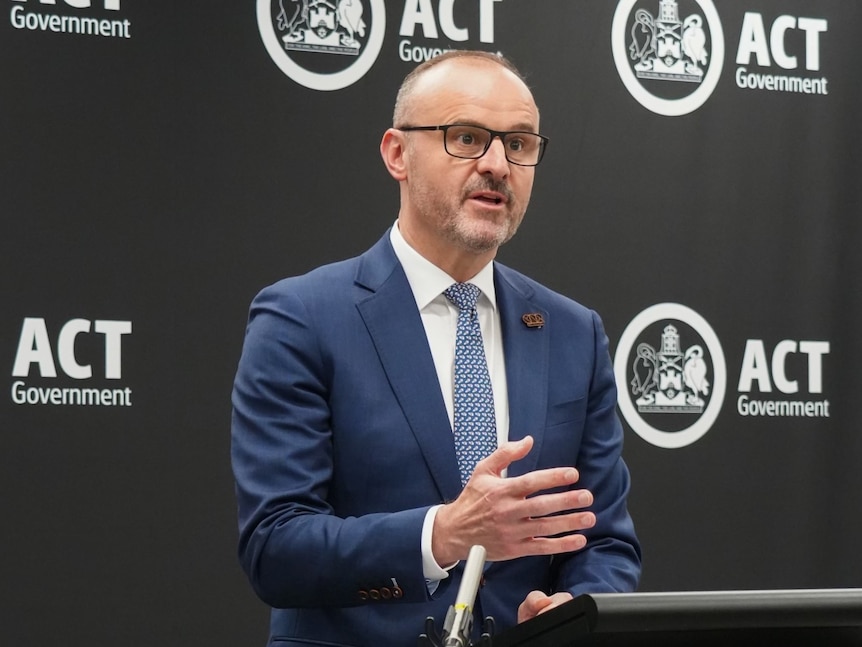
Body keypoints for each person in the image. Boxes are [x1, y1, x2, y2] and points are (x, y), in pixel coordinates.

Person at [231, 50, 641, 647]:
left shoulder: (573, 332)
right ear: (397, 153)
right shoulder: (301, 318)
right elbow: (275, 545)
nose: (498, 165)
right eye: (467, 138)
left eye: (520, 144)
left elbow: (603, 540)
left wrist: (570, 610)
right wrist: (442, 534)